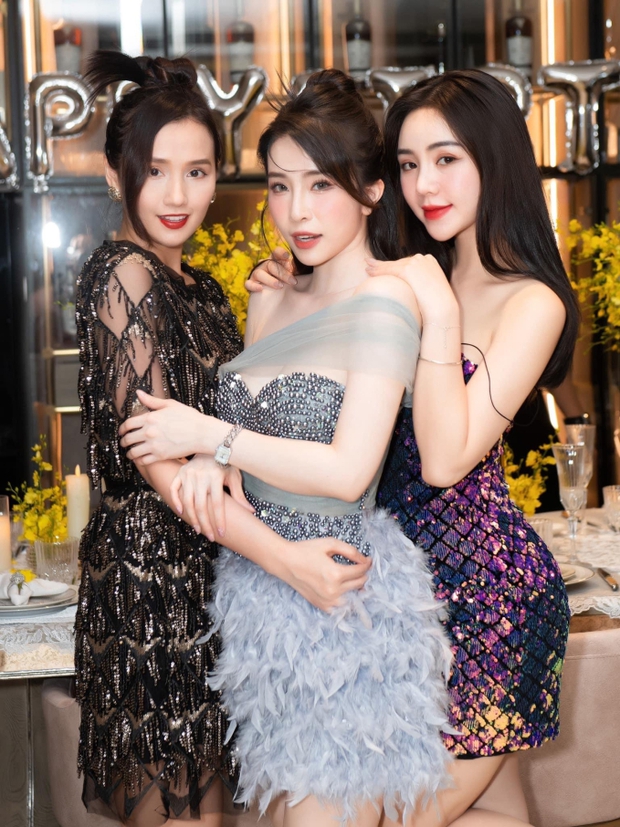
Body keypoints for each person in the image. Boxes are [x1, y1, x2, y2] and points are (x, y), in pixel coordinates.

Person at [120, 70, 454, 827]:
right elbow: (255, 439)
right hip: (253, 594)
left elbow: (349, 469)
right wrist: (214, 458)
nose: (296, 211)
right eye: (279, 186)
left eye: (321, 186)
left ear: (371, 191)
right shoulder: (269, 293)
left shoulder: (385, 299)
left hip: (340, 597)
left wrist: (209, 437)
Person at [245, 71, 580, 827]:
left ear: (495, 159)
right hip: (393, 598)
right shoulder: (401, 270)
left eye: (446, 159)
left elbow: (444, 459)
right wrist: (293, 287)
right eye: (406, 163)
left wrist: (439, 312)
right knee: (491, 814)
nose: (423, 183)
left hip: (489, 601)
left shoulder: (532, 302)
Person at [75, 53, 365, 827]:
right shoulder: (121, 276)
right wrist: (291, 562)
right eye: (156, 171)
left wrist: (287, 298)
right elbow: (166, 469)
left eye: (197, 171)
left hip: (211, 588)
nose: (178, 195)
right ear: (114, 176)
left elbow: (234, 426)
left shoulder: (200, 289)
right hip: (148, 594)